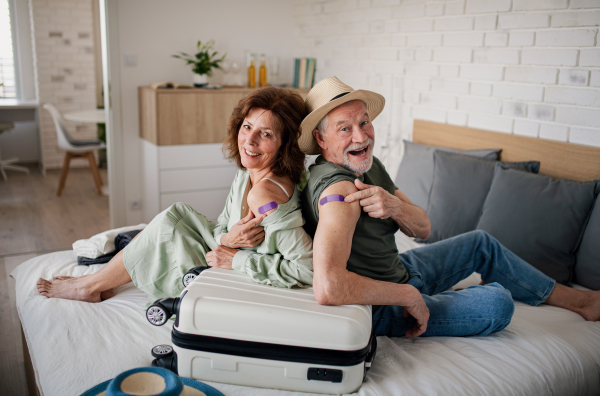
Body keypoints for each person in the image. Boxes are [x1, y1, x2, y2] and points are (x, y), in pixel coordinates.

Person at [299, 76, 600, 339]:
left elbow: (424, 227)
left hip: (401, 271)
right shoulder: (338, 192)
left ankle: (580, 301)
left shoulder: (369, 166)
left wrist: (394, 207)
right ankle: (442, 296)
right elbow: (329, 287)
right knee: (498, 303)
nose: (361, 136)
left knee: (480, 242)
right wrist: (407, 295)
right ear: (320, 138)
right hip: (381, 303)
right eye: (344, 129)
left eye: (364, 121)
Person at [37, 87, 314, 304]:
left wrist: (236, 259)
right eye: (247, 127)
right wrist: (228, 239)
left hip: (238, 269)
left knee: (164, 231)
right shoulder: (248, 172)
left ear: (285, 143)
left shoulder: (266, 195)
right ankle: (97, 283)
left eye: (265, 133)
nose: (249, 141)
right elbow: (222, 227)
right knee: (174, 216)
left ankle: (89, 286)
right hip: (224, 249)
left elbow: (308, 269)